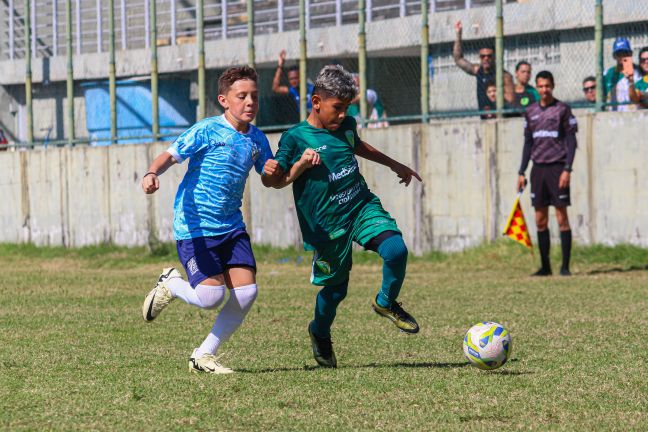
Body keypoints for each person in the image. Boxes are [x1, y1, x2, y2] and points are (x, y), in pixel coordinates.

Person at [263, 65, 422, 368]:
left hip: (361, 206)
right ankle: (319, 333)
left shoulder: (346, 125)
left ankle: (386, 303)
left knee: (396, 249)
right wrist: (272, 172)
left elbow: (359, 145)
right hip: (328, 227)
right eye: (337, 107)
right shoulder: (295, 138)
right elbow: (276, 180)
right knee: (336, 291)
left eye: (346, 108)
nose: (341, 114)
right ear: (316, 102)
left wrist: (395, 164)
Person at [139, 66, 278, 374]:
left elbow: (269, 178)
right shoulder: (206, 130)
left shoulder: (257, 138)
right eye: (241, 96)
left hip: (231, 226)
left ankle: (203, 356)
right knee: (211, 296)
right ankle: (173, 285)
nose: (250, 102)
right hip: (195, 228)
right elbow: (169, 155)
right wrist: (151, 173)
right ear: (224, 100)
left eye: (254, 96)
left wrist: (275, 171)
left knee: (247, 292)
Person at [517, 70, 577, 277]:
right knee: (540, 219)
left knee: (561, 217)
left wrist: (567, 169)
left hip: (557, 168)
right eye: (540, 86)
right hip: (538, 170)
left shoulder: (562, 109)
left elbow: (571, 141)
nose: (544, 90)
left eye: (547, 86)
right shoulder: (531, 111)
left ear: (553, 85)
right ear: (537, 87)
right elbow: (527, 143)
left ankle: (565, 267)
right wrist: (521, 172)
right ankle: (545, 267)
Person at [453, 20, 514, 117]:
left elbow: (510, 99)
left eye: (489, 56)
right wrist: (458, 34)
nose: (486, 59)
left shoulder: (504, 75)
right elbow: (458, 59)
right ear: (479, 57)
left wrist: (495, 95)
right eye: (483, 56)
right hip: (484, 119)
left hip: (500, 119)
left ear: (494, 57)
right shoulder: (478, 70)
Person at [272, 49, 315, 118]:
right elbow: (275, 88)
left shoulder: (312, 89)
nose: (293, 81)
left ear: (301, 77)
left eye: (295, 78)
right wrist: (280, 65)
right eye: (291, 79)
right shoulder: (293, 90)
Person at [603, 38, 642, 111]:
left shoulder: (638, 72)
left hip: (634, 115)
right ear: (614, 56)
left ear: (630, 54)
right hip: (613, 117)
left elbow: (637, 99)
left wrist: (631, 80)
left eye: (625, 53)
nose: (622, 56)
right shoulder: (607, 73)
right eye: (619, 54)